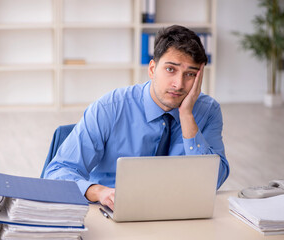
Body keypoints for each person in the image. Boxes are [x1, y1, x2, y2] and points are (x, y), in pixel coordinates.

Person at [44, 25, 229, 210]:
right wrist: (99, 192)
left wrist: (187, 116)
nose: (179, 84)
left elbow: (213, 182)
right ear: (152, 69)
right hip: (114, 211)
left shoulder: (208, 111)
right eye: (171, 69)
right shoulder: (110, 108)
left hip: (177, 211)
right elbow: (57, 172)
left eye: (190, 74)